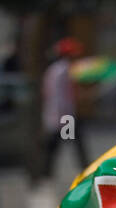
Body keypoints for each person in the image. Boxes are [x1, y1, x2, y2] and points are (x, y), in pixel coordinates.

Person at [42, 38, 89, 178]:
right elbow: (59, 96)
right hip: (64, 115)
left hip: (59, 114)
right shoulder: (63, 70)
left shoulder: (55, 69)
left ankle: (46, 173)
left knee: (60, 145)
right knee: (69, 143)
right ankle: (84, 168)